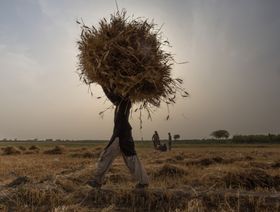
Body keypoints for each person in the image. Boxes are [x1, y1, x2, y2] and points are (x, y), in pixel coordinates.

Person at [87, 87, 149, 189]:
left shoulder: (125, 101)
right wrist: (104, 86)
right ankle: (143, 182)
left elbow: (114, 97)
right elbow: (112, 97)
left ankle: (97, 181)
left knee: (115, 157)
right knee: (129, 158)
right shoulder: (120, 103)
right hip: (121, 134)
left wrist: (104, 85)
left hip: (122, 134)